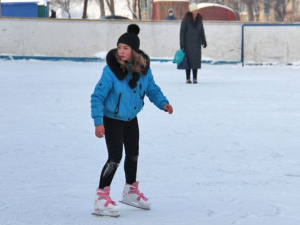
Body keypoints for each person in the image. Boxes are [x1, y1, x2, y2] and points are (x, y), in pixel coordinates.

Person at [90, 24, 173, 217]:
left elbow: (152, 89)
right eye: (119, 47)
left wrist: (163, 103)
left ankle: (130, 191)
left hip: (130, 118)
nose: (121, 51)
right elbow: (97, 97)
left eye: (125, 48)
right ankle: (101, 197)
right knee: (115, 158)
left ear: (134, 50)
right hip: (111, 119)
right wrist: (98, 121)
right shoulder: (110, 71)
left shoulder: (143, 70)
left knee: (133, 154)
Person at [180, 3, 207, 84]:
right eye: (195, 10)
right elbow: (182, 32)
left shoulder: (199, 19)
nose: (196, 11)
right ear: (191, 10)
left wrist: (204, 41)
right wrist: (182, 44)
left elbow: (202, 31)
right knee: (187, 61)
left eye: (197, 10)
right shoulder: (186, 19)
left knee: (196, 61)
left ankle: (195, 78)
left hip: (196, 44)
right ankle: (188, 78)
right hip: (188, 44)